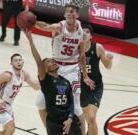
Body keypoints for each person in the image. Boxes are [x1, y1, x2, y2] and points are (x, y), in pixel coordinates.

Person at [34, 3, 95, 134]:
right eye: (67, 12)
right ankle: (51, 131)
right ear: (64, 15)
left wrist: (85, 75)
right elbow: (45, 26)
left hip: (72, 70)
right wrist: (32, 21)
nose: (70, 14)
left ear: (77, 15)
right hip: (55, 67)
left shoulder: (81, 33)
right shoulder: (59, 27)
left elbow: (82, 56)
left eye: (72, 12)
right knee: (40, 102)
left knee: (77, 107)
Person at [24, 29, 83, 135]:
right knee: (39, 102)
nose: (52, 62)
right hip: (54, 123)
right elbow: (38, 61)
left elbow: (71, 103)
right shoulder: (46, 81)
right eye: (48, 62)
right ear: (44, 69)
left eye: (52, 60)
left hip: (68, 120)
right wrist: (31, 42)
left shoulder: (65, 81)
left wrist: (70, 118)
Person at [0, 53, 40, 135]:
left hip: (8, 105)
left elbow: (35, 87)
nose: (18, 62)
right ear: (11, 64)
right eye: (15, 61)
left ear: (23, 62)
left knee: (8, 131)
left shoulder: (24, 74)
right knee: (10, 128)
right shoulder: (8, 75)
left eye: (20, 60)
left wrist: (45, 79)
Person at [80, 24, 113, 135]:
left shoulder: (97, 47)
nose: (84, 33)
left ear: (91, 36)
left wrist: (109, 59)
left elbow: (108, 66)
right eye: (82, 31)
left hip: (95, 87)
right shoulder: (74, 48)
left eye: (87, 32)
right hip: (80, 87)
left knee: (91, 117)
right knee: (87, 119)